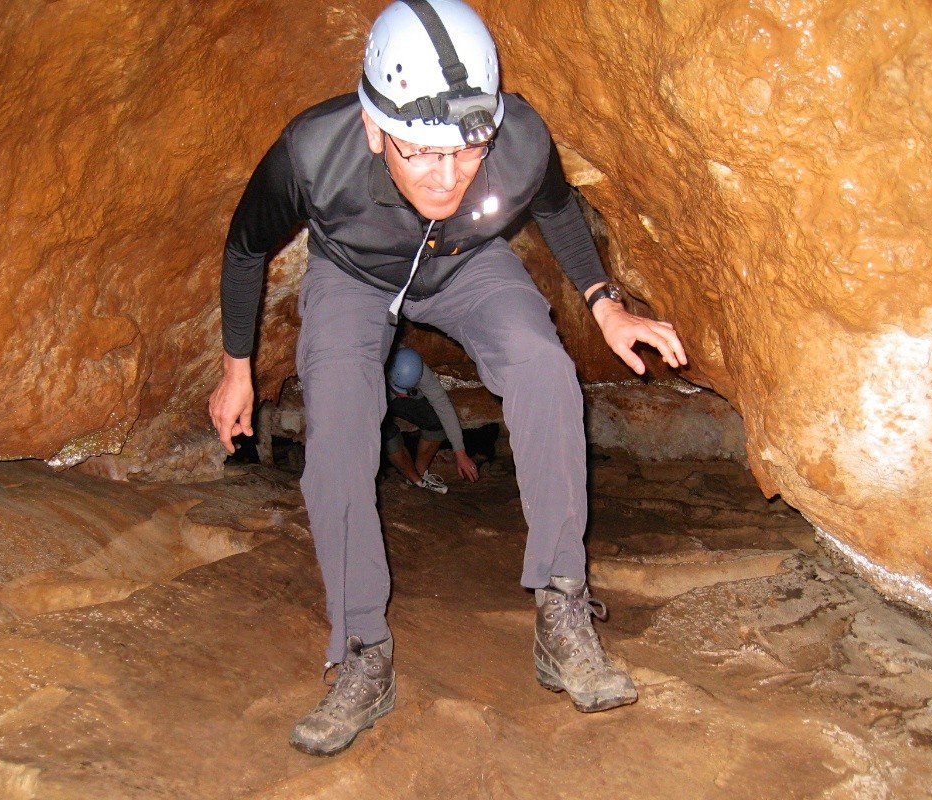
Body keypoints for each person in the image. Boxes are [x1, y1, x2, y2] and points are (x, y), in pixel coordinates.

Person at [208, 0, 687, 757]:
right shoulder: (311, 154)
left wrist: (606, 306)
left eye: (467, 153)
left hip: (466, 264)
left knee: (543, 368)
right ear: (375, 129)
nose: (447, 178)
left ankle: (562, 613)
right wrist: (237, 369)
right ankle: (362, 653)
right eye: (422, 154)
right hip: (352, 274)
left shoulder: (519, 138)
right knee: (338, 427)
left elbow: (559, 209)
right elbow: (244, 250)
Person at [383, 346, 479, 494]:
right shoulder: (372, 370)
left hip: (395, 393)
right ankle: (415, 480)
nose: (404, 395)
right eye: (401, 391)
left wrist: (460, 453)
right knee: (388, 435)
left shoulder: (416, 368)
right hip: (373, 395)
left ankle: (421, 476)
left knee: (435, 423)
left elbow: (443, 405)